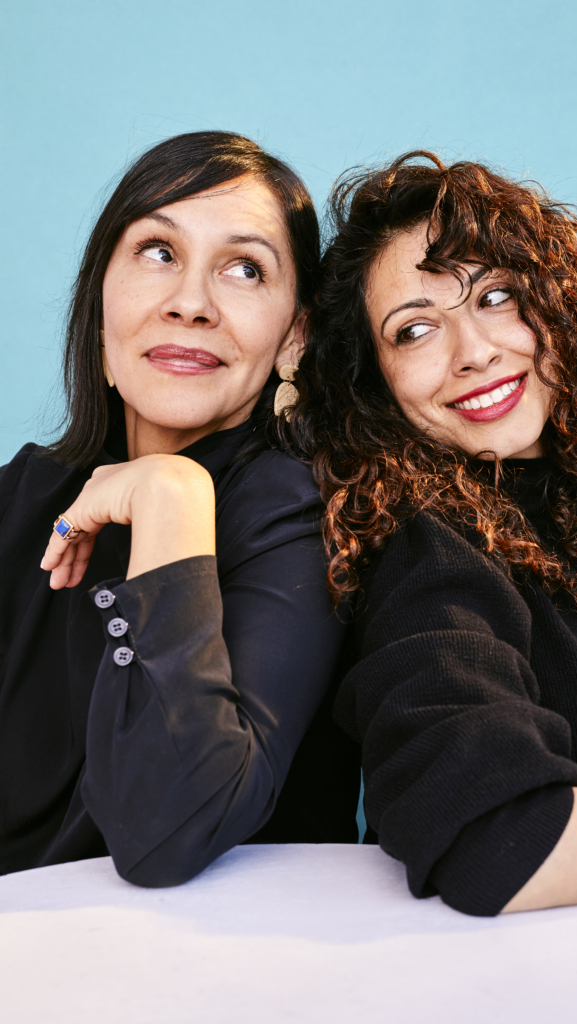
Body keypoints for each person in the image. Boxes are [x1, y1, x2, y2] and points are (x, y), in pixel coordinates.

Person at [283, 150, 577, 916]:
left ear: (558, 304)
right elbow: (493, 837)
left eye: (496, 296)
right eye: (414, 331)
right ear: (377, 383)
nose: (473, 353)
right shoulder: (429, 547)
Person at [0, 131, 359, 886]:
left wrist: (171, 495)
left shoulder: (304, 514)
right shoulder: (24, 494)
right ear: (102, 296)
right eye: (159, 253)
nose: (191, 303)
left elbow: (167, 828)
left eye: (244, 268)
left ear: (294, 336)